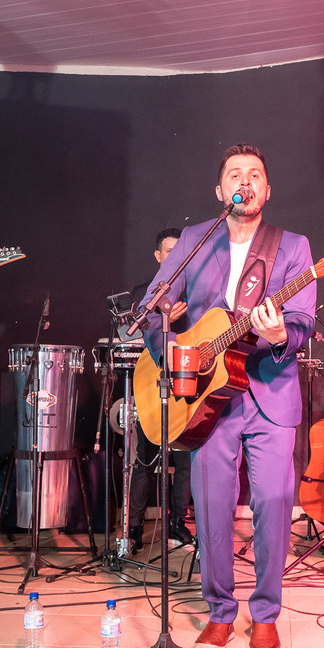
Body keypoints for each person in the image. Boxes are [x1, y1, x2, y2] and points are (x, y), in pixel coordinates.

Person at [139, 144, 315, 648]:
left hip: (270, 391)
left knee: (273, 505)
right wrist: (176, 358)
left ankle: (265, 615)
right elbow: (152, 307)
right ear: (221, 192)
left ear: (267, 189)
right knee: (212, 506)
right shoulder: (195, 241)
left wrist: (281, 332)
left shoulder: (294, 246)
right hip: (206, 395)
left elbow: (302, 320)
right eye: (235, 175)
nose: (246, 181)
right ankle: (218, 612)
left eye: (255, 174)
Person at [127, 228, 194, 550]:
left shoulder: (199, 292)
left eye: (181, 250)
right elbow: (132, 337)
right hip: (152, 383)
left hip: (190, 385)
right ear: (158, 256)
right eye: (169, 251)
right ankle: (134, 527)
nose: (175, 256)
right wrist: (159, 319)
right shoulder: (144, 292)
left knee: (185, 459)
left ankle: (177, 523)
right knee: (145, 457)